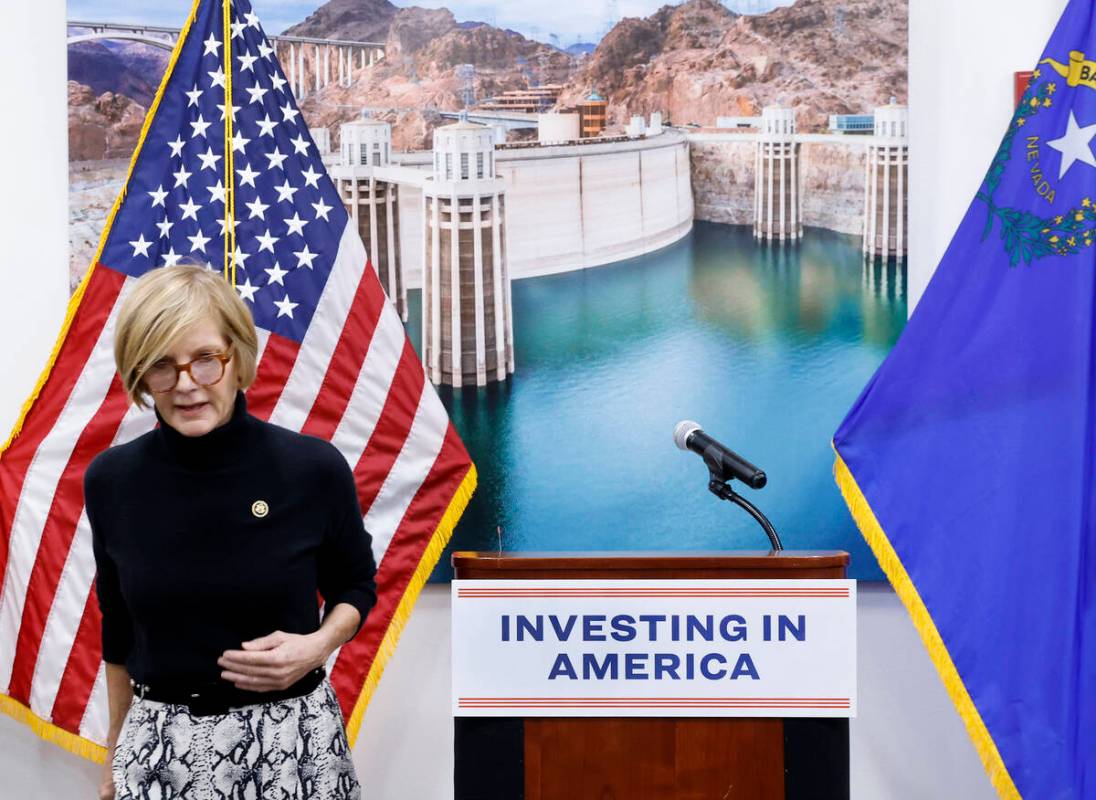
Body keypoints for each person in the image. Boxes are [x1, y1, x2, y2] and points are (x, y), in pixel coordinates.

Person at [85, 265, 377, 799]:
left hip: (292, 744)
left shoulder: (313, 468)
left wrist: (317, 645)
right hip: (159, 751)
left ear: (237, 359)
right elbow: (118, 627)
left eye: (205, 360)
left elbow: (356, 585)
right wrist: (113, 747)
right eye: (161, 367)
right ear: (139, 375)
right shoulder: (110, 481)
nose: (186, 385)